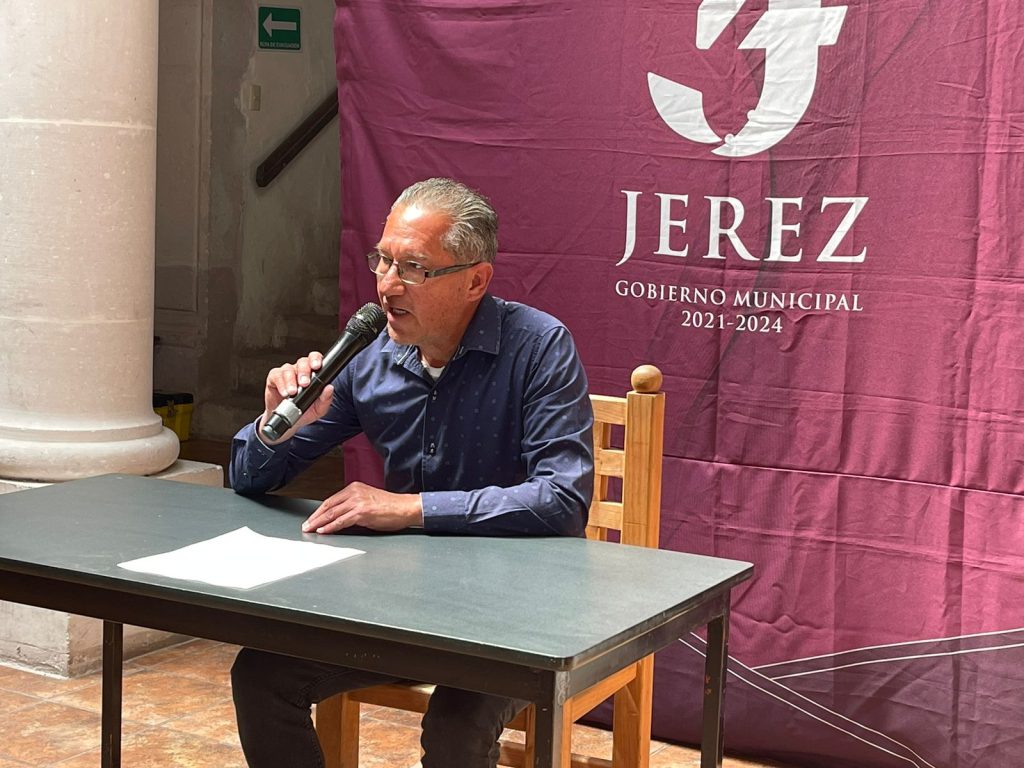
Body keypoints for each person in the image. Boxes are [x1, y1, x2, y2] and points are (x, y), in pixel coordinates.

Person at [228, 177, 594, 768]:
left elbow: (561, 500)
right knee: (261, 675)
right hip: (411, 601)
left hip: (521, 609)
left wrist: (411, 508)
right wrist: (278, 424)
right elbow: (249, 479)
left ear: (475, 280)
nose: (387, 285)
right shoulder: (369, 355)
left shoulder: (539, 346)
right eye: (383, 261)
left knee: (454, 729)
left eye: (414, 268)